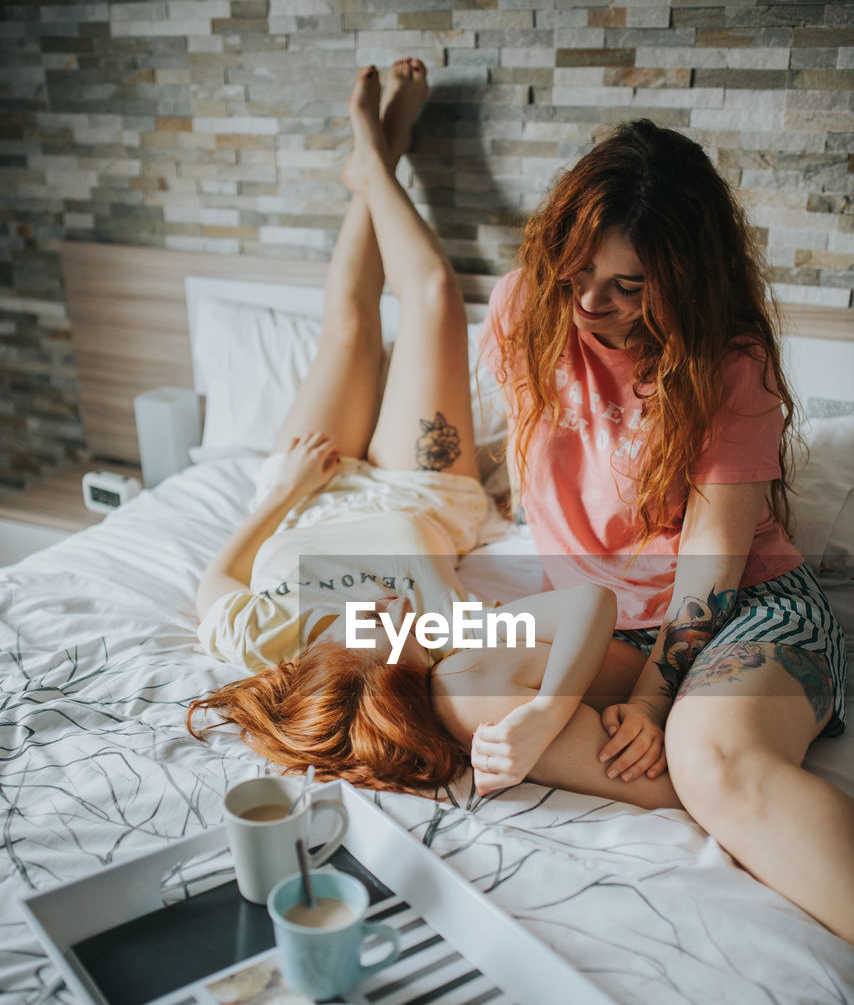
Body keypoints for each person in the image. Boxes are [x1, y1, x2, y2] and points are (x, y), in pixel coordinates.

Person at [188, 61, 684, 813]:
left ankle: (374, 162)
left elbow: (215, 581)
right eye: (399, 639)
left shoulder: (268, 640)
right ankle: (375, 144)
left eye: (366, 628)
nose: (387, 610)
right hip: (419, 487)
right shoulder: (451, 634)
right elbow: (585, 607)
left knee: (350, 324)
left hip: (303, 488)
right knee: (429, 298)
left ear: (318, 657)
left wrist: (281, 497)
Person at [478, 119, 853, 943]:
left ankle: (717, 760)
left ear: (685, 277)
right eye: (576, 270)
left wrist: (653, 700)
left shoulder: (727, 364)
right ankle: (708, 766)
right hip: (612, 621)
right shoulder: (524, 309)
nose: (589, 303)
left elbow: (709, 567)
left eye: (629, 284)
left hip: (742, 607)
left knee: (712, 760)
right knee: (467, 689)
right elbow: (539, 477)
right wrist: (561, 681)